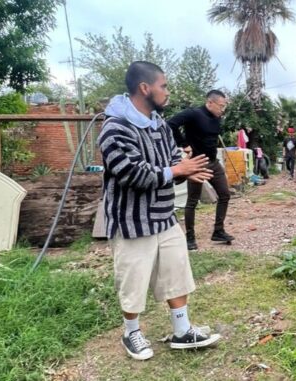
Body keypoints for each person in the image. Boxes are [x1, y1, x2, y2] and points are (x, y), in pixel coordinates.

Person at [98, 61, 221, 361]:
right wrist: (176, 169)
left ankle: (182, 331)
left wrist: (183, 172)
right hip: (131, 220)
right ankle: (132, 332)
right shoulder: (114, 128)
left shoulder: (159, 125)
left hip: (164, 217)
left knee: (176, 270)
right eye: (163, 86)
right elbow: (131, 174)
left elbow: (168, 163)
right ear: (145, 88)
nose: (167, 92)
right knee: (133, 279)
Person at [168, 90, 234, 250]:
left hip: (212, 162)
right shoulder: (194, 114)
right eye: (220, 106)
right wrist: (184, 144)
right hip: (196, 163)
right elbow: (170, 124)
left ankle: (218, 231)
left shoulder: (217, 118)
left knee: (225, 194)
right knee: (192, 200)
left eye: (224, 106)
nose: (222, 110)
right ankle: (190, 238)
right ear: (209, 102)